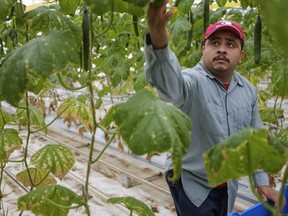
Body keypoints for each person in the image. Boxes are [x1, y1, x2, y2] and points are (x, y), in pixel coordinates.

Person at [144, 1, 283, 216]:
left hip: (227, 185)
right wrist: (159, 39)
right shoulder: (192, 80)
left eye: (230, 44)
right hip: (191, 182)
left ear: (241, 55)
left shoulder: (248, 91)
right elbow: (170, 88)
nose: (221, 49)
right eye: (215, 42)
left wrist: (262, 182)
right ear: (204, 49)